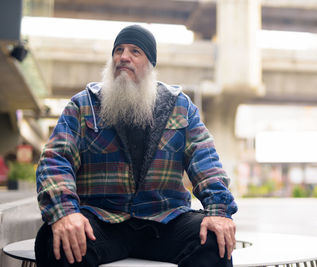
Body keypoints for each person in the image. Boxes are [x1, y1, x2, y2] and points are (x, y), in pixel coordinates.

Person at [35, 25, 238, 267]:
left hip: (165, 221)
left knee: (214, 240)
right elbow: (55, 160)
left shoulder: (180, 107)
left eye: (135, 51)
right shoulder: (83, 105)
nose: (123, 57)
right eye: (118, 50)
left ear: (150, 63)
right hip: (101, 221)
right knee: (57, 242)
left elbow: (206, 162)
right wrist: (65, 212)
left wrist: (218, 210)